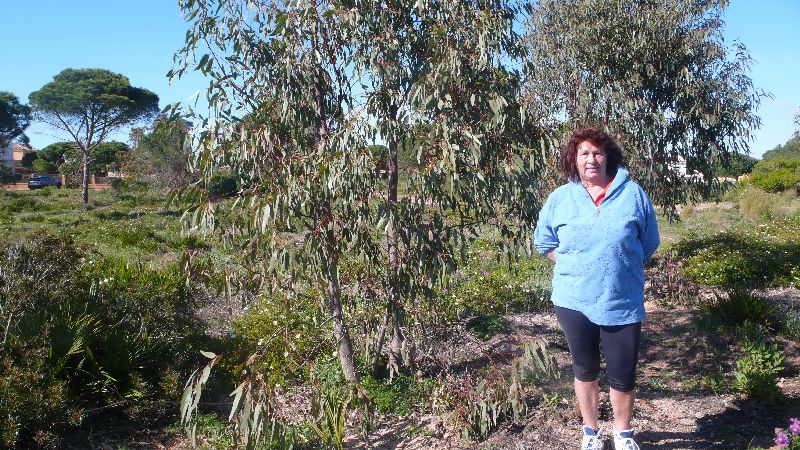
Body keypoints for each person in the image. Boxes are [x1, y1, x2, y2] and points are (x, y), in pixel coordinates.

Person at [533, 127, 660, 450]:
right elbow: (545, 242)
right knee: (585, 370)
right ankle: (591, 433)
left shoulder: (633, 194)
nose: (591, 159)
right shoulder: (560, 198)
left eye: (598, 152)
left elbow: (648, 242)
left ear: (608, 157)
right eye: (584, 153)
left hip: (622, 300)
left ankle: (623, 434)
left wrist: (620, 264)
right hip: (573, 300)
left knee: (623, 374)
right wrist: (575, 265)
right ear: (574, 159)